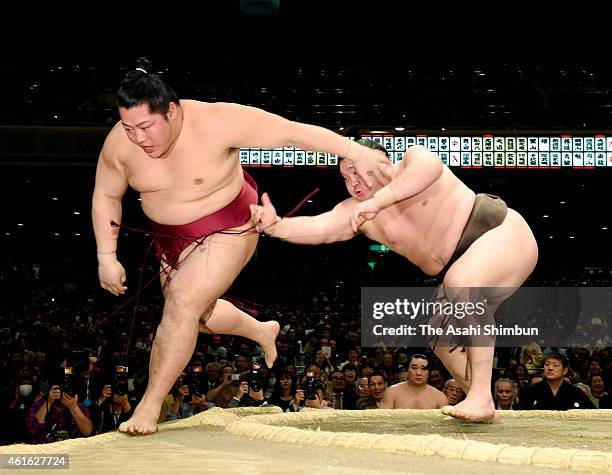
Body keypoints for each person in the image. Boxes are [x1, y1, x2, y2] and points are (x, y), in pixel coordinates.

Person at [92, 58, 387, 435]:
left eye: (146, 127)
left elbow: (291, 133)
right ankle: (261, 330)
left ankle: (149, 407)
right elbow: (105, 195)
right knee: (194, 315)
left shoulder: (219, 122)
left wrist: (355, 151)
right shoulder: (121, 142)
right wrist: (106, 256)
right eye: (129, 127)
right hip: (166, 238)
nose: (138, 138)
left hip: (229, 224)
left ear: (172, 111)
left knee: (183, 301)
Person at [252, 139, 538, 422]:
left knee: (460, 283)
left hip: (500, 233)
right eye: (345, 177)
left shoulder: (413, 161)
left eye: (356, 171)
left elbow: (429, 168)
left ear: (382, 163)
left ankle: (481, 397)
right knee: (439, 335)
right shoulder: (361, 211)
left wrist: (378, 201)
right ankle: (481, 402)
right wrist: (278, 227)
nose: (352, 182)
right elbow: (322, 226)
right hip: (464, 264)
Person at [379, 354, 447, 409]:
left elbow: (444, 425)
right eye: (414, 368)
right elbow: (381, 421)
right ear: (407, 370)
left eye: (423, 369)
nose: (418, 373)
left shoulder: (440, 397)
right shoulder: (391, 392)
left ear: (429, 372)